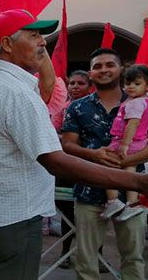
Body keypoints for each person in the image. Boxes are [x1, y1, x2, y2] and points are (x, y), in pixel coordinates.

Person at [0, 9, 148, 280]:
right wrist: (139, 183)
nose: (42, 42)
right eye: (34, 35)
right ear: (7, 44)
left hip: (2, 213)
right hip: (17, 217)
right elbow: (55, 160)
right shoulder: (14, 93)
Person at [62, 48, 148, 280]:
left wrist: (122, 161)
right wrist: (95, 155)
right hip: (88, 190)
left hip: (132, 194)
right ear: (91, 73)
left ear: (121, 70)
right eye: (97, 66)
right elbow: (68, 145)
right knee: (86, 261)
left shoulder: (142, 104)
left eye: (109, 65)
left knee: (133, 258)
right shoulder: (77, 107)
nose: (103, 70)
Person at [100, 65, 148, 221]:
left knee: (107, 165)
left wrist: (125, 144)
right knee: (130, 168)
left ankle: (113, 201)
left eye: (136, 84)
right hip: (139, 141)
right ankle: (132, 203)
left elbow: (133, 124)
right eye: (128, 84)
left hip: (129, 141)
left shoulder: (134, 103)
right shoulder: (144, 99)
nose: (131, 87)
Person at [56, 70, 93, 269]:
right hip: (67, 166)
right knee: (67, 211)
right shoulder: (63, 107)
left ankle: (96, 254)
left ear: (90, 86)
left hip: (90, 167)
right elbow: (53, 131)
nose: (75, 87)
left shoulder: (96, 109)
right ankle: (65, 252)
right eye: (72, 83)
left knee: (95, 214)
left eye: (80, 83)